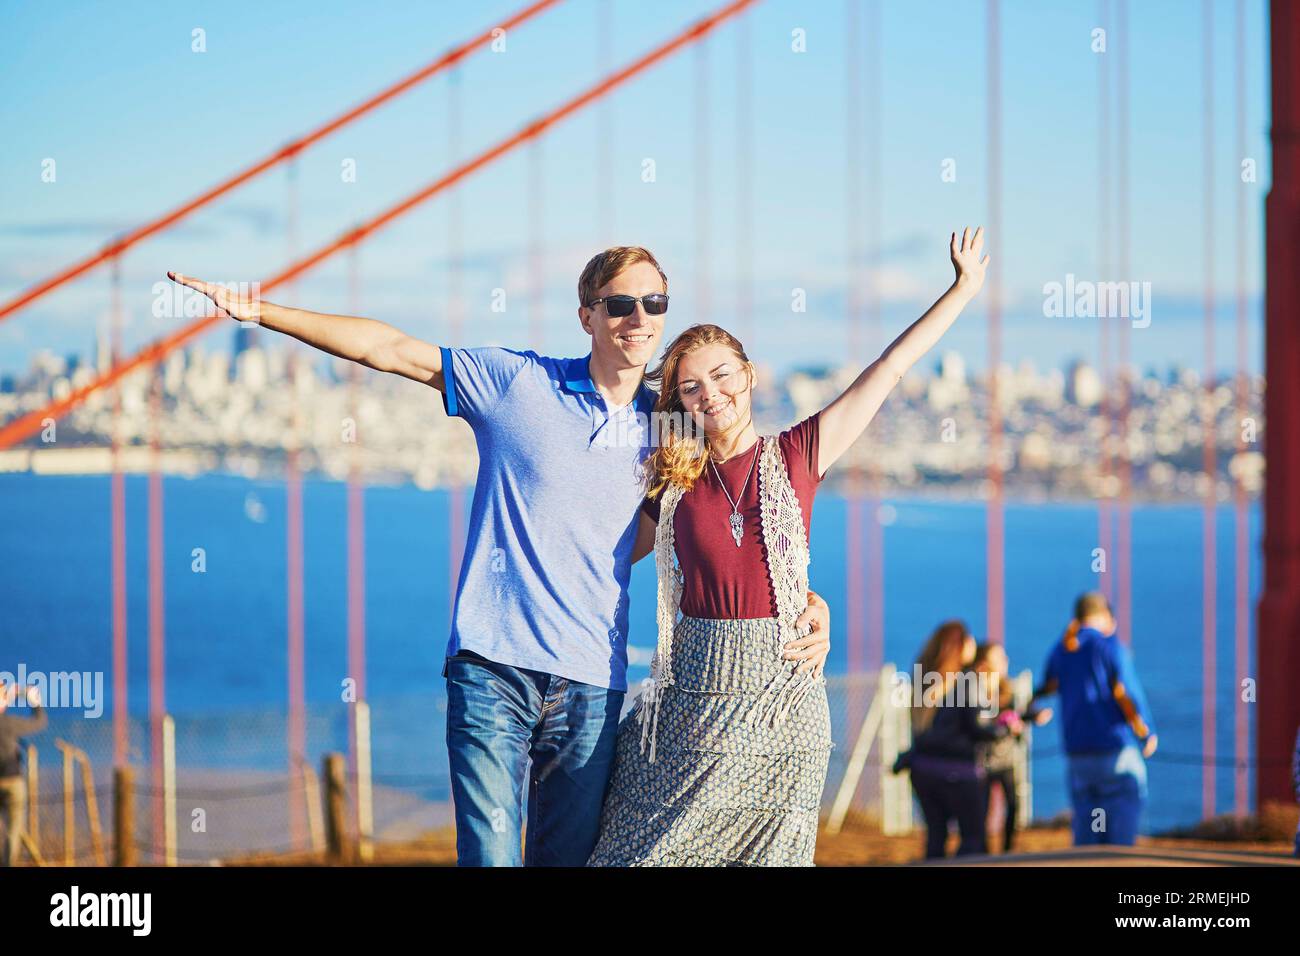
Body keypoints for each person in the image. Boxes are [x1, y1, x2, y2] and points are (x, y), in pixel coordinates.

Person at [167, 250, 833, 867]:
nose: (638, 317)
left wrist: (805, 598)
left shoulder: (668, 432)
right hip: (493, 670)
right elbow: (389, 350)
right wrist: (261, 311)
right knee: (489, 858)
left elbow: (719, 533)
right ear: (587, 316)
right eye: (620, 303)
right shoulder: (517, 383)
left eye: (654, 303)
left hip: (590, 689)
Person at [589, 226, 990, 865]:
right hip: (690, 695)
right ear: (679, 401)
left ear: (748, 375)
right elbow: (596, 551)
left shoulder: (796, 455)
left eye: (722, 375)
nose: (710, 394)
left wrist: (962, 288)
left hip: (783, 703)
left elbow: (887, 371)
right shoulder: (670, 481)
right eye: (691, 387)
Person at [1028, 591, 1157, 846]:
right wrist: (1146, 731)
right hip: (1114, 748)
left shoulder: (1062, 649)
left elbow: (1050, 685)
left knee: (1086, 828)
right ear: (1104, 616)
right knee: (1122, 816)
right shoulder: (1109, 647)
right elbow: (1124, 693)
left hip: (1077, 751)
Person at [897, 621, 1014, 858]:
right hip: (960, 773)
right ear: (960, 645)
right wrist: (1006, 728)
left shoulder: (922, 678)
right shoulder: (967, 680)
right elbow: (979, 727)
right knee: (972, 840)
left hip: (924, 771)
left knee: (936, 838)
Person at [970, 642, 1051, 853]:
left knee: (1013, 806)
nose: (1005, 661)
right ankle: (984, 853)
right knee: (982, 810)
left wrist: (1032, 716)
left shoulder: (1008, 689)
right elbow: (978, 726)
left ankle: (1006, 851)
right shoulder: (973, 692)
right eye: (999, 657)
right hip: (984, 762)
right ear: (983, 664)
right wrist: (1006, 726)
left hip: (1008, 759)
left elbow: (1018, 714)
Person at [0, 681, 46, 866]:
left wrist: (9, 695)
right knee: (13, 831)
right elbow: (39, 722)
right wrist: (34, 701)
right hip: (12, 781)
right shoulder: (10, 724)